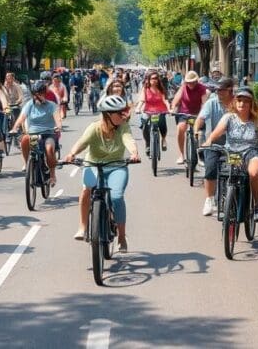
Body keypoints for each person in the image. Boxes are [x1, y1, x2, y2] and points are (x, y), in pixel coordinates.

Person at [65, 95, 140, 252]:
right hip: (93, 165)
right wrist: (72, 153)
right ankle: (83, 227)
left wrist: (134, 153)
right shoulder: (95, 128)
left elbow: (128, 140)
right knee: (87, 189)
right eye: (119, 113)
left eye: (123, 112)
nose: (123, 115)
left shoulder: (123, 126)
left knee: (117, 196)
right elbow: (82, 142)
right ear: (108, 115)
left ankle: (121, 236)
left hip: (116, 166)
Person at [203, 86, 258, 221]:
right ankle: (226, 200)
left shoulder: (256, 119)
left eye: (246, 101)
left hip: (251, 153)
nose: (242, 104)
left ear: (251, 103)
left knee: (254, 172)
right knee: (226, 174)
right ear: (235, 103)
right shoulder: (228, 117)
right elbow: (217, 131)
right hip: (232, 153)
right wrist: (209, 140)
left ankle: (257, 206)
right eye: (239, 100)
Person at [196, 77, 235, 216]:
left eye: (221, 89)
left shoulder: (238, 103)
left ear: (231, 90)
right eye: (217, 89)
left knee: (238, 171)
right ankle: (209, 199)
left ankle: (237, 196)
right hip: (213, 144)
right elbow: (200, 118)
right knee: (210, 169)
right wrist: (196, 130)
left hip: (233, 146)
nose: (218, 92)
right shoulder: (211, 103)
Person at [12, 81, 62, 184]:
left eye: (40, 94)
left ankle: (52, 175)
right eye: (35, 94)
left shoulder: (51, 105)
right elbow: (22, 117)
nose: (37, 97)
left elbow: (57, 119)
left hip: (48, 134)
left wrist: (58, 127)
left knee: (49, 149)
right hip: (34, 134)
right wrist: (15, 128)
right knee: (25, 139)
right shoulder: (29, 104)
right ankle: (27, 164)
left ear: (44, 94)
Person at [170, 70, 208, 165]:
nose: (190, 84)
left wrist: (203, 114)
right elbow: (176, 99)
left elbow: (204, 102)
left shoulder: (202, 88)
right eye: (188, 82)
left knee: (200, 134)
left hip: (198, 114)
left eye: (192, 82)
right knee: (180, 129)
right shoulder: (183, 88)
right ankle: (181, 155)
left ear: (196, 81)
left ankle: (200, 156)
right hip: (185, 113)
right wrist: (173, 108)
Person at [135, 69, 171, 154]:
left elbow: (165, 100)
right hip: (148, 111)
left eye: (156, 78)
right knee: (145, 125)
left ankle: (163, 139)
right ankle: (147, 144)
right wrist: (138, 108)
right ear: (148, 79)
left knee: (162, 124)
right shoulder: (145, 89)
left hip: (160, 110)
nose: (155, 80)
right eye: (153, 78)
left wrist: (169, 109)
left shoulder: (161, 89)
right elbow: (142, 100)